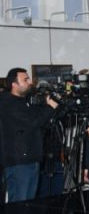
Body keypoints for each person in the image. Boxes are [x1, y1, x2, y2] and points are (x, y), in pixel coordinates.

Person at [0, 67, 58, 202]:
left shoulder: (24, 102)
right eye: (25, 79)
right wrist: (51, 106)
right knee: (19, 204)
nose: (30, 82)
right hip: (18, 162)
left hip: (31, 159)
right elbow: (33, 122)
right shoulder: (7, 103)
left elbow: (39, 121)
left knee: (29, 204)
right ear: (14, 84)